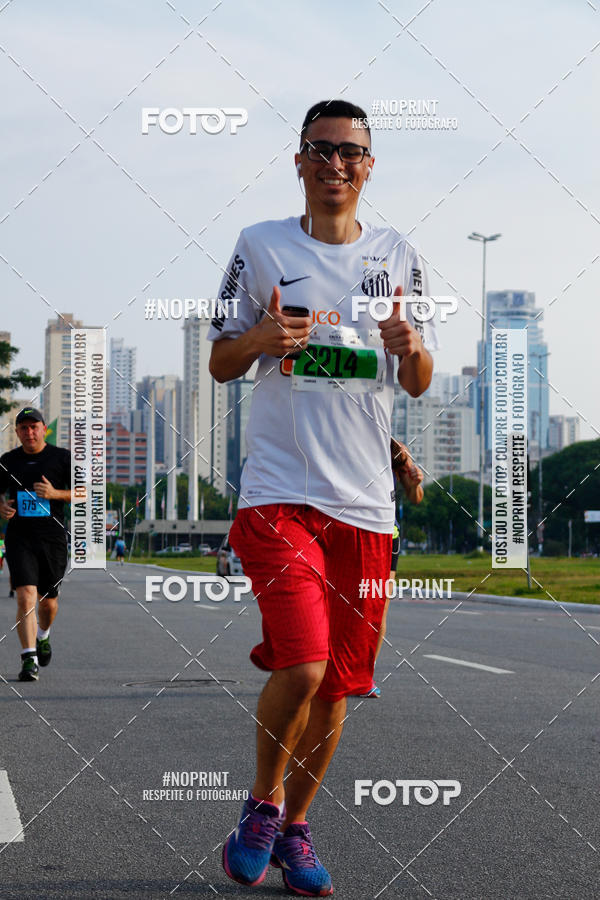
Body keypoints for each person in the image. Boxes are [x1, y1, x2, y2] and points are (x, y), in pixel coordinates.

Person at [208, 99, 438, 896]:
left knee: (339, 687)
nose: (337, 164)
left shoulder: (400, 254)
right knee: (303, 664)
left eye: (352, 152)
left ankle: (296, 830)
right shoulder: (259, 247)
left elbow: (414, 379)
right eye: (323, 150)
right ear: (298, 160)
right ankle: (260, 807)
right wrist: (261, 341)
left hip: (367, 507)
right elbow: (219, 363)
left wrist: (413, 353)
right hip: (278, 494)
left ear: (369, 166)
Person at [0, 407, 71, 682]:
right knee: (25, 595)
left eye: (34, 427)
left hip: (52, 539)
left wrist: (55, 493)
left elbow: (86, 492)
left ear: (44, 429)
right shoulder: (7, 461)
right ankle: (29, 659)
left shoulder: (62, 458)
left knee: (48, 604)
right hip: (20, 538)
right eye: (24, 428)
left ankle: (43, 635)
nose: (29, 432)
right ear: (17, 432)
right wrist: (2, 507)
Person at [358, 439, 424, 698]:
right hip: (348, 529)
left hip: (386, 534)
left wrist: (415, 482)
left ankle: (364, 675)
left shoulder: (395, 448)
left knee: (378, 605)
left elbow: (414, 496)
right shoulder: (345, 437)